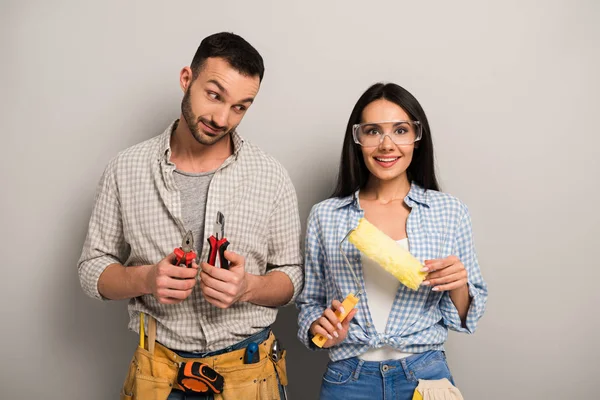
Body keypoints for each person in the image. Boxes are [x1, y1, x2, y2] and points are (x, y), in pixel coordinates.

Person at [78, 32, 302, 400]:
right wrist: (147, 278)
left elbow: (293, 276)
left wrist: (249, 287)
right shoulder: (126, 168)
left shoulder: (271, 174)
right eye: (214, 95)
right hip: (158, 373)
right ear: (187, 79)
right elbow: (91, 270)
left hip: (251, 373)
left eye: (240, 107)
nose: (221, 117)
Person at [296, 82, 488, 399]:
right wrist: (321, 328)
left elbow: (469, 317)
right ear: (357, 139)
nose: (387, 145)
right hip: (349, 378)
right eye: (373, 131)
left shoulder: (450, 211)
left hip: (425, 374)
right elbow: (310, 304)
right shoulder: (326, 216)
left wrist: (458, 284)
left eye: (400, 130)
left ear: (416, 137)